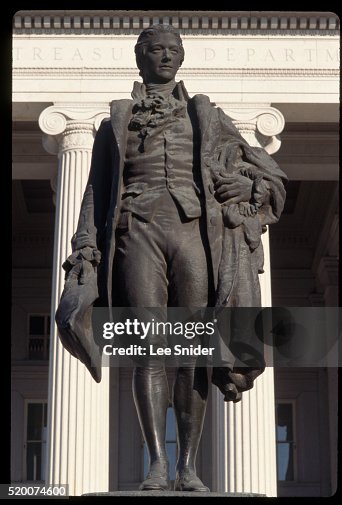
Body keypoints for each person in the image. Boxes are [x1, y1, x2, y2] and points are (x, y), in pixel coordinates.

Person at [59, 24, 287, 492]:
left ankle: (187, 466)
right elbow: (95, 192)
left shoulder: (208, 116)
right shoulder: (114, 123)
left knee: (192, 355)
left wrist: (248, 188)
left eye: (172, 50)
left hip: (195, 234)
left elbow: (267, 174)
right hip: (136, 231)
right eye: (156, 50)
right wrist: (85, 245)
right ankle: (157, 465)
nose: (165, 56)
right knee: (150, 349)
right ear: (140, 57)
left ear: (181, 58)